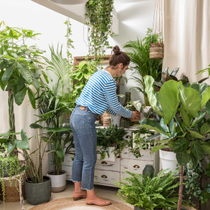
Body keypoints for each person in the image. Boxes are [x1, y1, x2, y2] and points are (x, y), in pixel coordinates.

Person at [70, 45, 140, 206]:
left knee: (80, 156)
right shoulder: (109, 80)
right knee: (90, 159)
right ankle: (91, 197)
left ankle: (77, 190)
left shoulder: (99, 74)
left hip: (76, 115)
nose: (124, 73)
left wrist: (123, 113)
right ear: (121, 66)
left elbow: (107, 106)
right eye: (126, 69)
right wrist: (130, 114)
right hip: (86, 117)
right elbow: (115, 107)